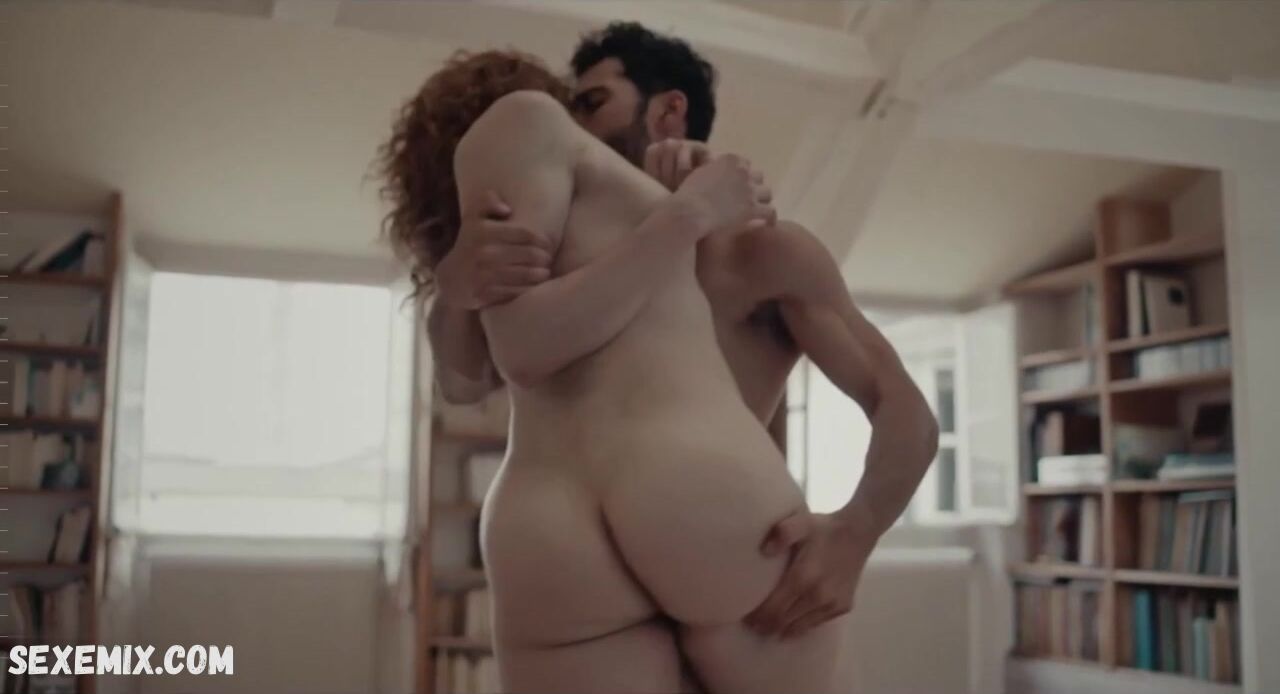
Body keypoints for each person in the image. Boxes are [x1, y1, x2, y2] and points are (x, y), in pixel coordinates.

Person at [428, 20, 939, 649]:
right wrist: (453, 290)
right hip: (580, 565)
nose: (574, 129)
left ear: (669, 112)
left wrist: (856, 533)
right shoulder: (562, 262)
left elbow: (906, 410)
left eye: (592, 104)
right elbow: (463, 383)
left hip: (726, 564)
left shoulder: (760, 252)